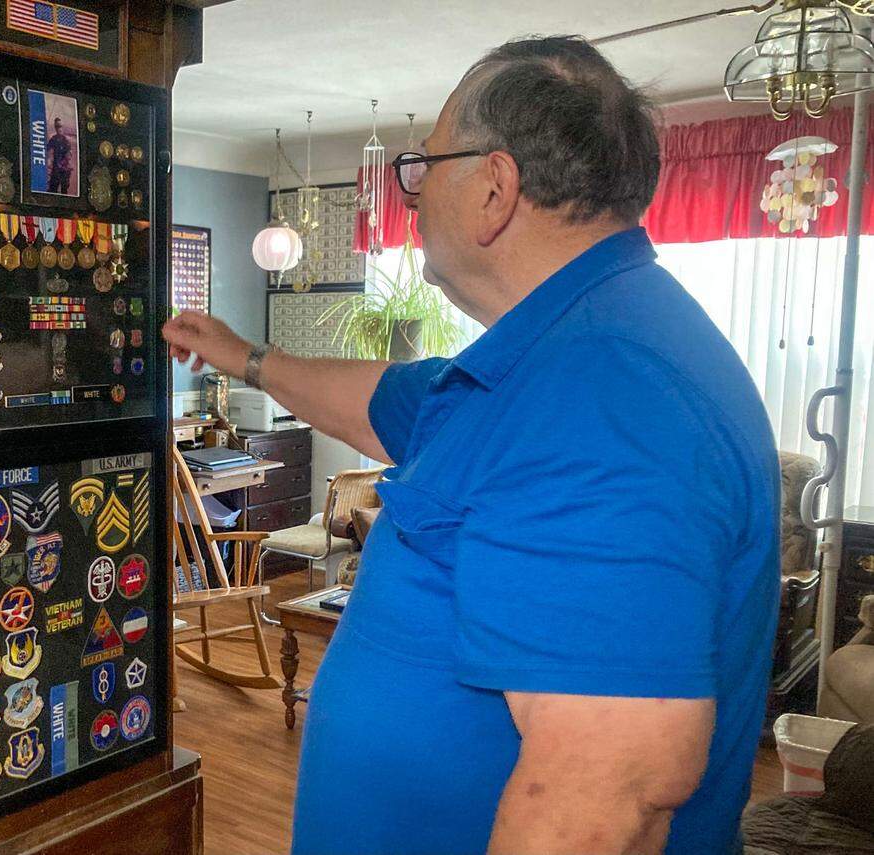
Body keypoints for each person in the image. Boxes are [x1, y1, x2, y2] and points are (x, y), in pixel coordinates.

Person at [164, 36, 778, 855]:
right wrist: (245, 355)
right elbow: (375, 399)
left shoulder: (605, 395)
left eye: (422, 166)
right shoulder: (539, 361)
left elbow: (608, 795)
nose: (410, 198)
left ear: (494, 187)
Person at [46, 116, 73, 194]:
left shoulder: (66, 141)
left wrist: (61, 164)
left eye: (60, 126)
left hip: (64, 169)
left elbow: (69, 155)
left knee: (64, 191)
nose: (59, 128)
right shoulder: (53, 139)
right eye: (57, 126)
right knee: (52, 190)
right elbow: (47, 148)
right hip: (55, 169)